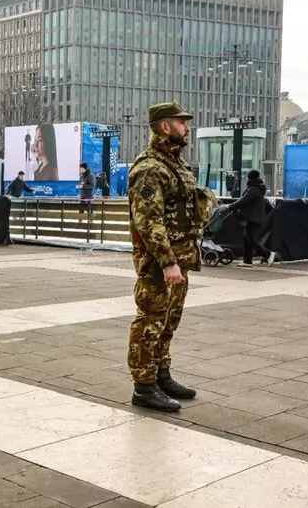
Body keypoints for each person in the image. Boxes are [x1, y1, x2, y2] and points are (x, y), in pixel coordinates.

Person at [127, 101, 215, 412]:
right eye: (181, 122)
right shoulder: (150, 168)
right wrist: (167, 262)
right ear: (165, 126)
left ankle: (162, 374)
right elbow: (149, 222)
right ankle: (144, 387)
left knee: (168, 321)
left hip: (180, 260)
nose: (187, 127)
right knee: (150, 322)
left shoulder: (175, 164)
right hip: (161, 265)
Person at [228, 169, 276, 268]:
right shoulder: (256, 188)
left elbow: (243, 200)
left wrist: (231, 206)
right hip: (254, 217)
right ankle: (247, 261)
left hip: (254, 218)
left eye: (247, 177)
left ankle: (268, 254)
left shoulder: (254, 189)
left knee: (250, 239)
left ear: (250, 178)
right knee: (247, 238)